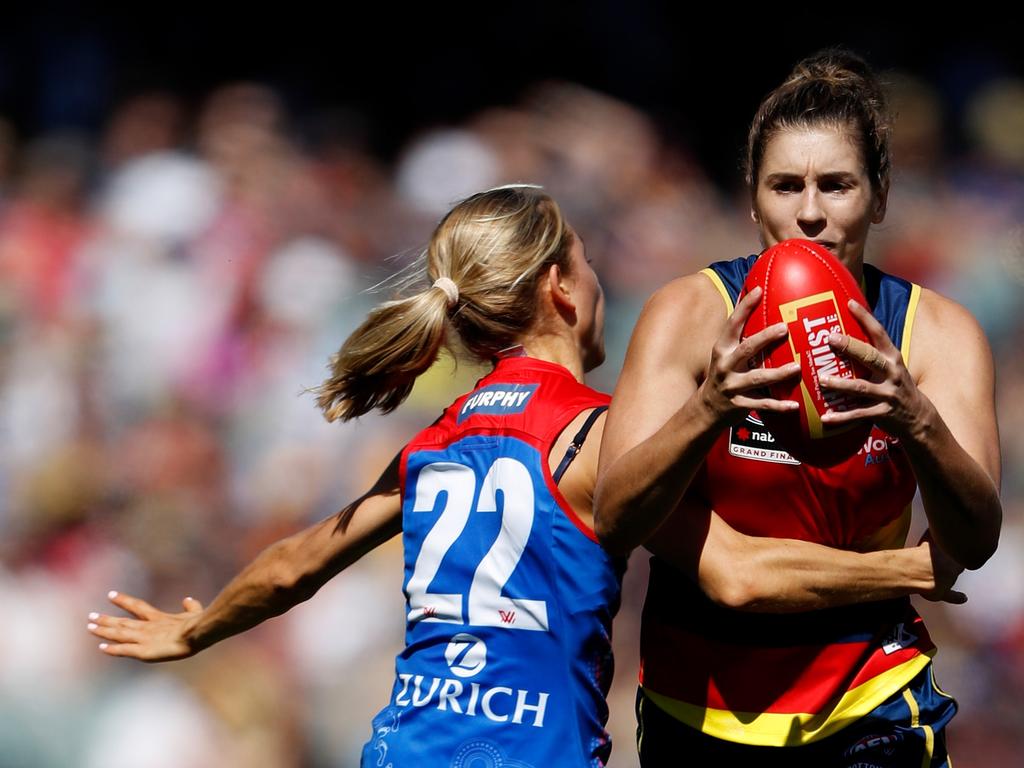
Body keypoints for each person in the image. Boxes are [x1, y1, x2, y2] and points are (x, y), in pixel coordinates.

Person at [87, 185, 967, 767]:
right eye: (584, 260)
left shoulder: (438, 439)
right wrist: (906, 569)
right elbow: (734, 572)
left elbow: (295, 564)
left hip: (404, 749)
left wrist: (195, 634)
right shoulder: (593, 438)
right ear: (561, 289)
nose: (596, 279)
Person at [595, 50, 1002, 767]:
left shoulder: (935, 332)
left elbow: (972, 543)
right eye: (786, 186)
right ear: (753, 201)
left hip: (873, 696)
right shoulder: (689, 315)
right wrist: (709, 410)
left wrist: (917, 419)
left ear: (879, 198)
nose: (809, 213)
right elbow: (618, 519)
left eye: (836, 185)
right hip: (699, 707)